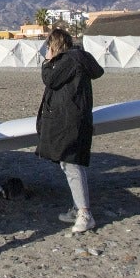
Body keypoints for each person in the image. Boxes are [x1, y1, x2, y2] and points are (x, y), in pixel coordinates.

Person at [36, 28, 104, 234]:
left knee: (71, 164)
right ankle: (77, 207)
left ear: (54, 45)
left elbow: (50, 79)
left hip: (70, 120)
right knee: (71, 163)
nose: (47, 50)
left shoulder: (68, 60)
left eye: (49, 46)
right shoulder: (79, 58)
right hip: (74, 117)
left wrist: (47, 61)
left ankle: (85, 213)